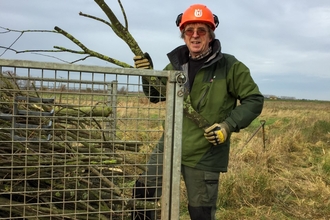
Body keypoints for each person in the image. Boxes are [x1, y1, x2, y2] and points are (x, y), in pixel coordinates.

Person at [132, 4, 264, 220]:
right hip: (169, 146)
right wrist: (147, 75)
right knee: (141, 193)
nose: (195, 36)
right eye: (189, 31)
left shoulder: (230, 66)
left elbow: (254, 100)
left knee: (200, 213)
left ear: (210, 35)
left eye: (201, 31)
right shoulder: (176, 64)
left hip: (205, 152)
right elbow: (156, 95)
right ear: (183, 35)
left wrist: (227, 126)